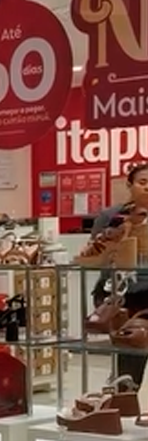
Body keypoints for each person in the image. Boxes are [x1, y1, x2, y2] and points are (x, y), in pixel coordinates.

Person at [91, 162, 148, 387]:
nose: (147, 187)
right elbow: (97, 254)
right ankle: (124, 398)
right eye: (142, 182)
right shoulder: (111, 215)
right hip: (124, 296)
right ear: (130, 185)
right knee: (131, 360)